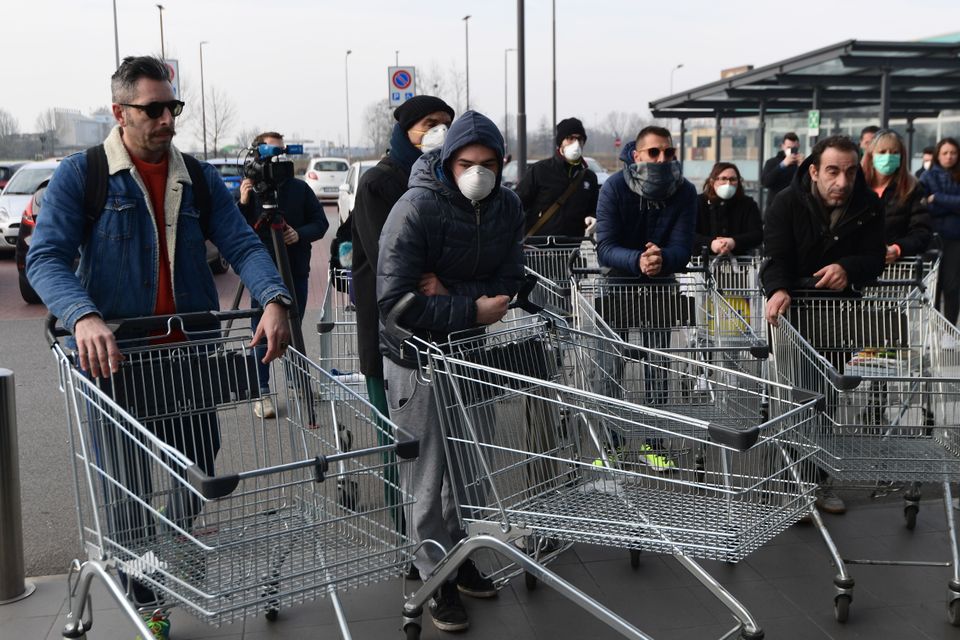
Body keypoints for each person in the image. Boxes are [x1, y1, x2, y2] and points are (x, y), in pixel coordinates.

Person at [26, 55, 291, 638]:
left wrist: (273, 298)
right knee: (125, 493)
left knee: (198, 470)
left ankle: (162, 552)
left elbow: (242, 242)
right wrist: (84, 316)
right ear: (120, 112)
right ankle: (145, 592)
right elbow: (44, 258)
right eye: (153, 109)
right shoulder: (84, 175)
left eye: (172, 107)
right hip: (116, 362)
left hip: (189, 356)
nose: (167, 119)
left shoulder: (194, 176)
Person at [377, 110, 524, 632]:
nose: (477, 174)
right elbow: (395, 303)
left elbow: (510, 282)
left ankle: (460, 560)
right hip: (417, 359)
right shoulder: (416, 208)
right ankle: (432, 576)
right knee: (428, 477)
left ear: (501, 164)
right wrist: (475, 306)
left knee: (471, 471)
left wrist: (462, 301)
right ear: (446, 161)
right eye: (466, 163)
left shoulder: (506, 206)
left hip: (470, 352)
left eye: (488, 164)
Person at [762, 135, 885, 515]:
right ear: (814, 171)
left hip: (837, 315)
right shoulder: (786, 202)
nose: (842, 182)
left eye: (849, 172)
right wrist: (778, 288)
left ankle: (816, 478)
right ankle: (787, 480)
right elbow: (775, 256)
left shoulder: (866, 205)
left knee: (826, 396)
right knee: (795, 395)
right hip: (794, 313)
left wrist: (848, 268)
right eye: (833, 172)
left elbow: (874, 258)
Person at [594, 125, 697, 469]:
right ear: (636, 156)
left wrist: (662, 259)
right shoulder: (614, 187)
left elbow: (684, 245)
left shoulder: (684, 191)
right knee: (609, 367)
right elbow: (604, 247)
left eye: (668, 153)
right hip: (617, 285)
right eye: (653, 153)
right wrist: (639, 260)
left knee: (657, 366)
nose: (662, 159)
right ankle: (613, 444)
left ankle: (654, 442)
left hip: (661, 285)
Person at [352, 95, 454, 424]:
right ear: (406, 129)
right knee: (398, 433)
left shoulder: (447, 180)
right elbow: (387, 256)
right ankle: (395, 478)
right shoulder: (378, 183)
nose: (441, 131)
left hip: (438, 317)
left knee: (442, 425)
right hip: (390, 322)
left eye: (447, 125)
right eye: (430, 124)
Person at [238, 131, 328, 418]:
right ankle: (261, 392)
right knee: (260, 333)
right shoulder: (250, 191)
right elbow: (233, 233)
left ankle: (297, 383)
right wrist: (242, 202)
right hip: (261, 276)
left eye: (280, 152)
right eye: (269, 153)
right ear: (256, 154)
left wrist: (297, 235)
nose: (276, 158)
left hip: (295, 270)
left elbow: (321, 224)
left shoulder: (299, 189)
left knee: (291, 330)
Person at [515, 117, 599, 240]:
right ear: (560, 142)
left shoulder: (589, 177)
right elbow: (518, 204)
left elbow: (594, 207)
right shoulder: (540, 170)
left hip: (570, 251)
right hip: (537, 249)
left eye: (579, 139)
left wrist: (593, 217)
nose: (575, 143)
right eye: (570, 138)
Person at [861, 129, 931, 264]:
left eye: (894, 153)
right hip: (860, 265)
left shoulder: (912, 188)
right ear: (871, 155)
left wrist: (898, 248)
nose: (888, 157)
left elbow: (922, 232)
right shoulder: (858, 187)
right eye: (882, 152)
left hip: (896, 270)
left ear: (901, 157)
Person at [921, 137, 960, 325]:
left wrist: (937, 198)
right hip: (933, 238)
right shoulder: (927, 176)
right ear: (938, 155)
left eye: (953, 152)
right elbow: (925, 207)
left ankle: (950, 327)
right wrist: (952, 204)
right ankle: (933, 328)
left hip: (956, 238)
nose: (949, 156)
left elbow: (934, 203)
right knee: (933, 286)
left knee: (952, 286)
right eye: (945, 153)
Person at [694, 162, 762, 256]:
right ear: (712, 181)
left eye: (733, 179)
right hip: (702, 261)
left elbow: (757, 234)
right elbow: (687, 234)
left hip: (740, 263)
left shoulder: (748, 204)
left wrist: (733, 242)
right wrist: (711, 243)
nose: (728, 183)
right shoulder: (698, 202)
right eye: (723, 179)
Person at [761, 132, 803, 208]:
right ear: (783, 146)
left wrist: (803, 167)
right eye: (788, 148)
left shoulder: (801, 163)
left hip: (795, 206)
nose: (791, 151)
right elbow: (765, 182)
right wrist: (782, 165)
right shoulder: (772, 162)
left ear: (798, 147)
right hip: (775, 206)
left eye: (794, 148)